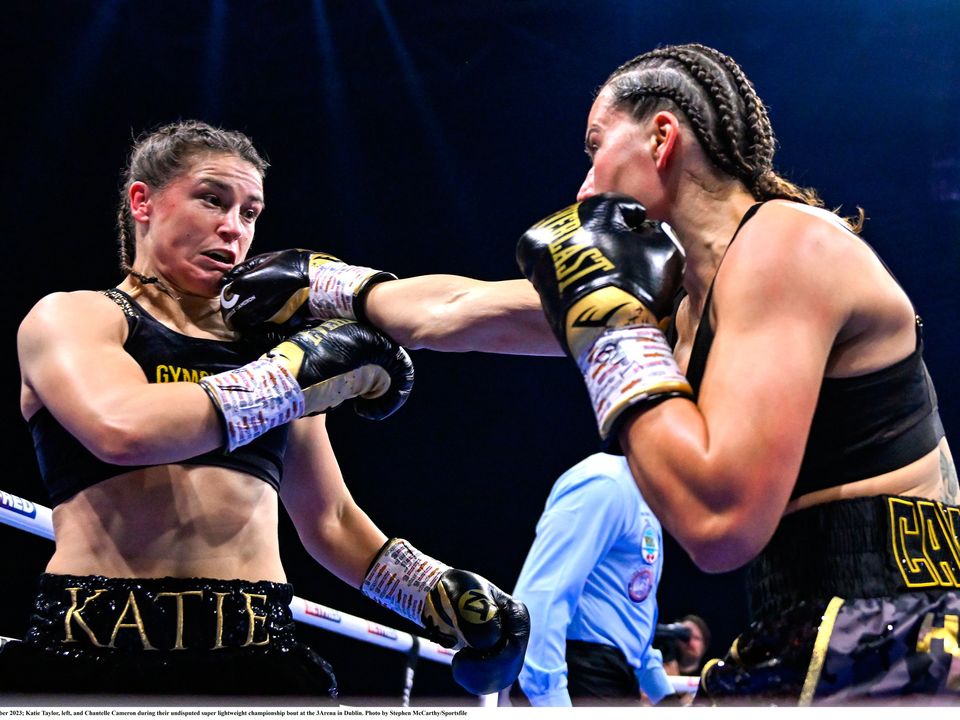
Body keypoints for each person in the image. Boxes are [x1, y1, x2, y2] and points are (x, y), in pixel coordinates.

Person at [3, 120, 534, 699]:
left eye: (250, 213)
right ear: (143, 202)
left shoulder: (270, 354)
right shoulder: (76, 317)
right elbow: (122, 428)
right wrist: (292, 373)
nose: (233, 228)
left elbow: (330, 521)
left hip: (256, 652)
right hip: (93, 646)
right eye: (212, 199)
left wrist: (435, 592)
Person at [515, 43, 959, 704]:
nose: (582, 191)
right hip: (821, 627)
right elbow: (462, 311)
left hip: (886, 630)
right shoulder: (686, 304)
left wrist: (605, 319)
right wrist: (338, 289)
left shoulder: (785, 244)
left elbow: (718, 523)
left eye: (595, 147)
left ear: (662, 137)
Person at [506, 452, 676, 707]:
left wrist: (665, 698)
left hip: (612, 678)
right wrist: (550, 700)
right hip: (581, 675)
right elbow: (541, 596)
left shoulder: (642, 497)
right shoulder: (604, 483)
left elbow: (627, 615)